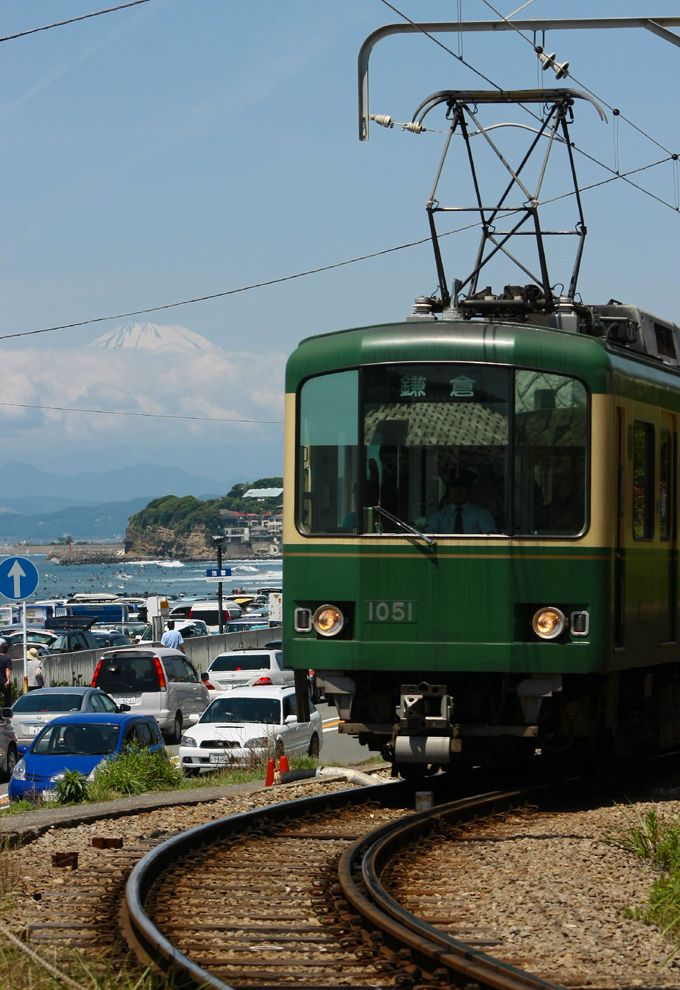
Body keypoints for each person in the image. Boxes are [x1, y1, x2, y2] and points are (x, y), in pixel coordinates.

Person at [426, 468, 496, 534]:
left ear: (469, 490)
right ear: (448, 490)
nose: (458, 491)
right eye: (453, 487)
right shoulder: (437, 517)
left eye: (462, 487)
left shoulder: (481, 514)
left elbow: (491, 539)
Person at [0, 640, 11, 707]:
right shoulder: (7, 658)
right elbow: (7, 669)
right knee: (7, 698)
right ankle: (6, 712)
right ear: (7, 649)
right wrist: (8, 679)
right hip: (3, 681)